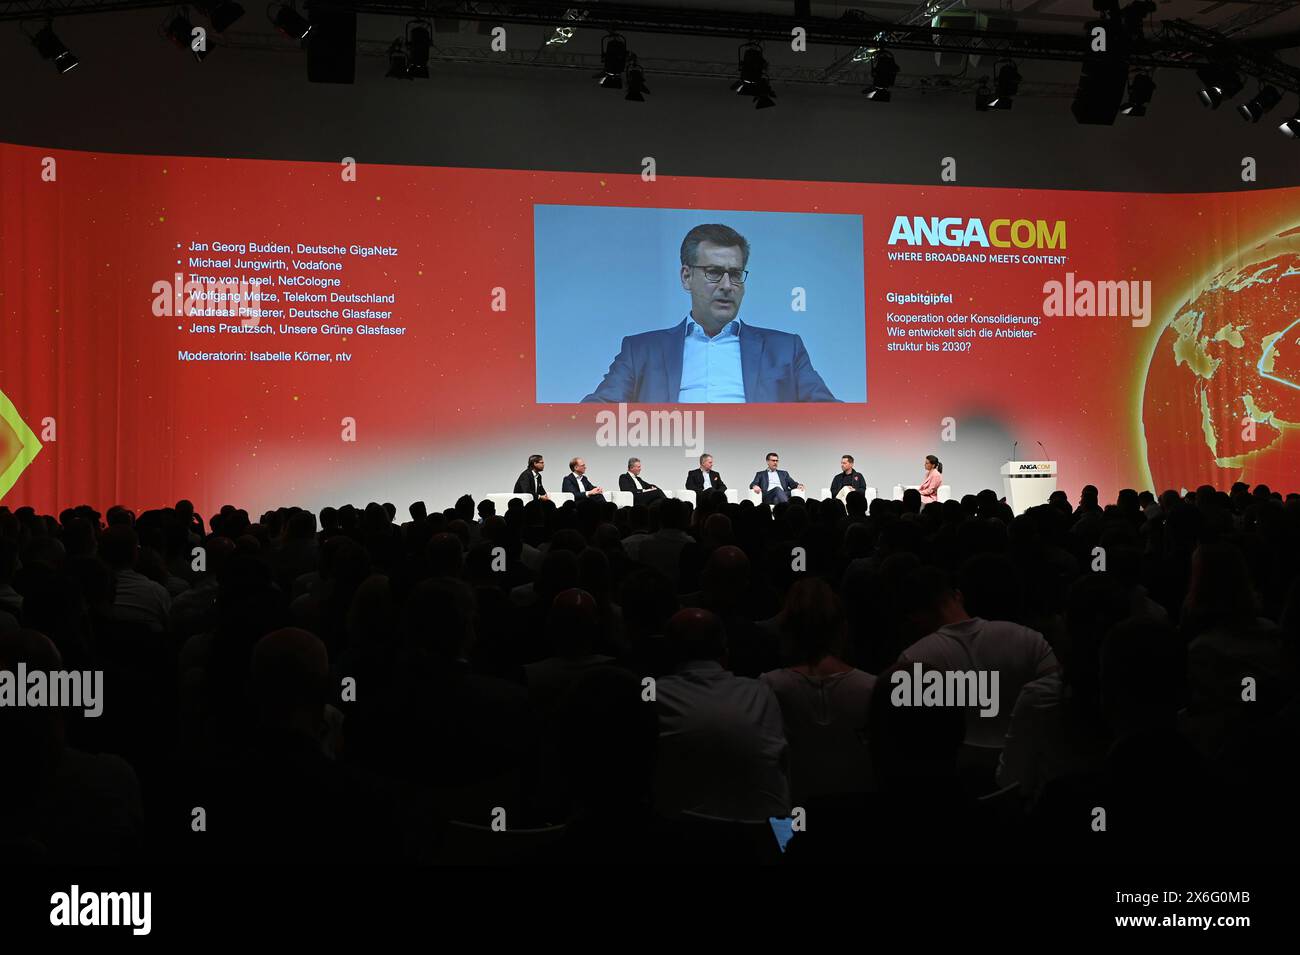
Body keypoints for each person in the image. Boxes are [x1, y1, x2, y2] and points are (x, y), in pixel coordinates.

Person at [581, 224, 838, 403]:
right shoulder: (640, 350)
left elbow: (830, 415)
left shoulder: (785, 348)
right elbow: (596, 412)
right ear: (686, 277)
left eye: (735, 274)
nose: (727, 285)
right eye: (714, 272)